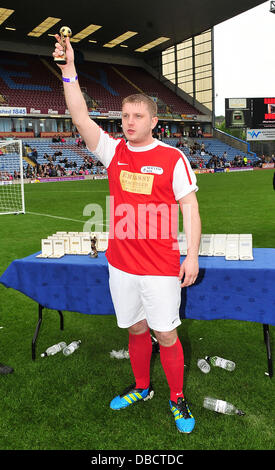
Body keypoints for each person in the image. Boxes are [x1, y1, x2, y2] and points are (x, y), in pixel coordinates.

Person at [53, 34, 201, 434]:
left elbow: (190, 207)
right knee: (135, 328)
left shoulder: (173, 158)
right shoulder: (112, 151)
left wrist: (192, 254)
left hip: (160, 265)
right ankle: (142, 387)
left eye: (137, 116)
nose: (129, 122)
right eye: (125, 115)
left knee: (165, 333)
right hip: (121, 264)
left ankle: (176, 397)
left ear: (153, 120)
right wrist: (69, 71)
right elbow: (81, 116)